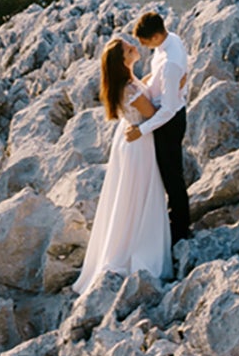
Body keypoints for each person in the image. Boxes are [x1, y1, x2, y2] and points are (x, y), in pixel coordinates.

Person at [72, 37, 172, 291]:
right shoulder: (129, 88)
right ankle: (137, 251)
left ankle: (127, 243)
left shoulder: (125, 83)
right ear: (123, 61)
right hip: (140, 144)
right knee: (141, 196)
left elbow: (143, 86)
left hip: (129, 142)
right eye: (129, 49)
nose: (134, 48)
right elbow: (151, 112)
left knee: (128, 197)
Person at [126, 11, 191, 246]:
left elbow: (168, 110)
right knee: (168, 173)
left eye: (144, 42)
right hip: (164, 112)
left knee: (172, 176)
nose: (142, 47)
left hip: (169, 122)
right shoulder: (171, 39)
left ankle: (180, 231)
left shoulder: (171, 63)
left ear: (155, 37)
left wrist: (141, 131)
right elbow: (171, 72)